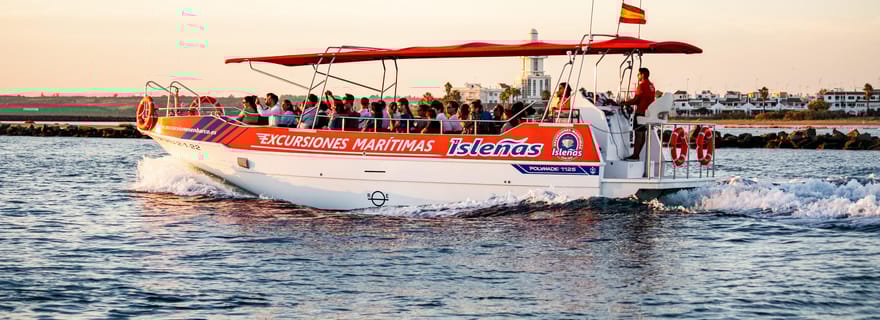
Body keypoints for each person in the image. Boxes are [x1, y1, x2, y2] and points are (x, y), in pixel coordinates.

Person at [622, 67, 656, 160]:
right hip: (648, 114)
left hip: (640, 113)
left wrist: (624, 103)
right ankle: (637, 154)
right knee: (642, 134)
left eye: (638, 74)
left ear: (642, 75)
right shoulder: (651, 86)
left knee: (638, 135)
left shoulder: (641, 85)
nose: (637, 76)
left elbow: (636, 100)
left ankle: (635, 155)